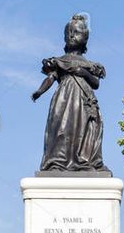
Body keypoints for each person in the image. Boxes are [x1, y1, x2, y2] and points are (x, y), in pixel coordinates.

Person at [31, 14, 107, 172]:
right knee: (62, 128)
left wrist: (83, 72)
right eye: (69, 32)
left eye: (76, 32)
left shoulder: (90, 65)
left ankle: (83, 159)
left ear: (85, 38)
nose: (72, 35)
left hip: (84, 101)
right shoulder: (59, 61)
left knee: (84, 129)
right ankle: (58, 162)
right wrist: (39, 91)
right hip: (64, 100)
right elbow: (51, 78)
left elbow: (96, 83)